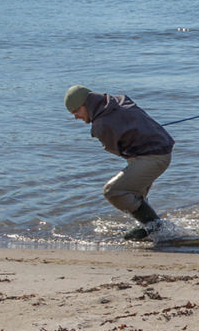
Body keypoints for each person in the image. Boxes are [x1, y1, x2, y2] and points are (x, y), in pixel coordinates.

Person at [65, 84, 175, 240]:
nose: (76, 116)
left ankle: (155, 226)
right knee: (133, 194)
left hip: (154, 157)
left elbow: (116, 149)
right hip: (160, 148)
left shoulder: (101, 125)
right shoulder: (117, 100)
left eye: (76, 111)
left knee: (112, 191)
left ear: (86, 104)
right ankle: (149, 228)